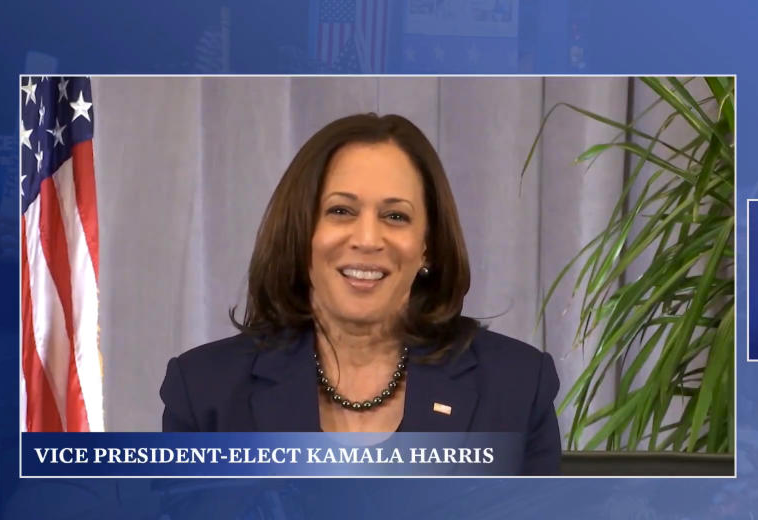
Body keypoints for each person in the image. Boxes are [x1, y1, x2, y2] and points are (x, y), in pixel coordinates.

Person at [159, 113, 561, 474]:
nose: (368, 239)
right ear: (301, 235)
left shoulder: (517, 386)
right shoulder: (204, 392)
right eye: (341, 211)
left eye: (395, 216)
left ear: (428, 246)